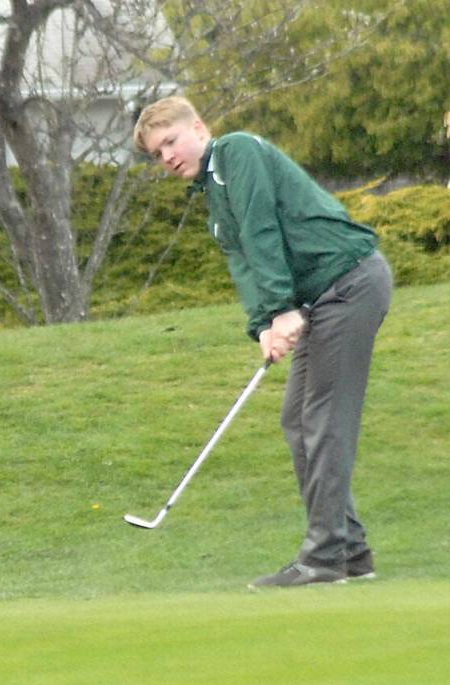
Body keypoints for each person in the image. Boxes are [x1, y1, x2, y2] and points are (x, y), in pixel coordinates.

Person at [132, 96, 393, 588]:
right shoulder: (213, 200)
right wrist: (264, 326)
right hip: (321, 298)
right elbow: (245, 262)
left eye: (170, 141)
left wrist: (281, 309)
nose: (166, 157)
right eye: (156, 153)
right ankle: (351, 551)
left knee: (322, 420)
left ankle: (324, 557)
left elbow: (262, 230)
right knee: (297, 420)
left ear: (199, 128)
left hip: (349, 281)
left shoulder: (235, 152)